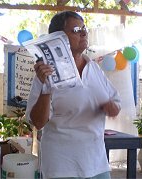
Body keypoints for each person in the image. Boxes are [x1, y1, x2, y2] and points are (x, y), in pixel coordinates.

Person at [25, 11, 121, 179]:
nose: (84, 33)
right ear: (58, 38)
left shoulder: (94, 68)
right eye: (76, 29)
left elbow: (115, 102)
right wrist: (46, 88)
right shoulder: (46, 73)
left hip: (97, 163)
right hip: (61, 166)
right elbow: (38, 122)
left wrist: (112, 107)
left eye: (84, 28)